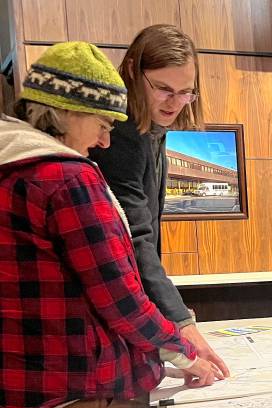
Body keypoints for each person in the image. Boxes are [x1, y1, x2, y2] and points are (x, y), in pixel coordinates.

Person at [0, 42, 219, 408]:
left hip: (16, 398)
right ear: (65, 112)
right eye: (102, 125)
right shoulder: (67, 177)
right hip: (79, 402)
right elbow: (120, 298)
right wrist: (182, 349)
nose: (103, 142)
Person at [88, 25, 229, 380]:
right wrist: (180, 323)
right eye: (164, 89)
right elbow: (135, 237)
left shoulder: (152, 128)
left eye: (186, 92)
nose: (175, 103)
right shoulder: (121, 134)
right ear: (133, 71)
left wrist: (171, 320)